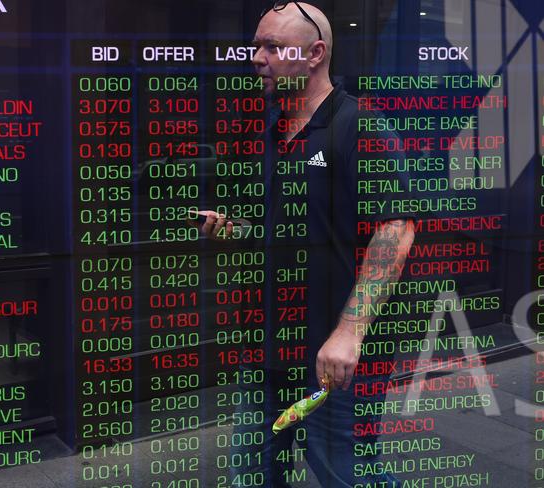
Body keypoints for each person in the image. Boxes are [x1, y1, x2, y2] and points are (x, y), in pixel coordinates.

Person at [199, 2, 415, 486]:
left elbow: (395, 232)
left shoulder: (361, 127)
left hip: (331, 362)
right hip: (266, 349)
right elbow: (284, 229)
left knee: (346, 476)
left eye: (272, 46)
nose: (257, 57)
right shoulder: (273, 132)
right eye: (256, 45)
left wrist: (349, 332)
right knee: (251, 473)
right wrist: (233, 229)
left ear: (315, 53)